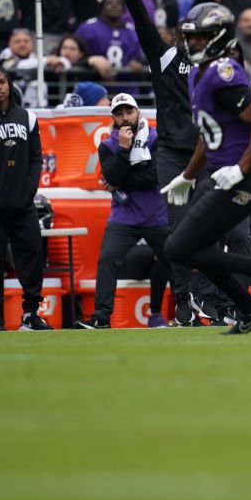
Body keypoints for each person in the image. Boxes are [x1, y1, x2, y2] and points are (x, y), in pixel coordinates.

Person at [159, 2, 251, 334]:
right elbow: (206, 134)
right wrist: (186, 175)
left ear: (218, 38)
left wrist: (242, 168)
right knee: (196, 250)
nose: (193, 44)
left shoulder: (223, 71)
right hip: (219, 177)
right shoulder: (198, 75)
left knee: (178, 248)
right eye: (192, 38)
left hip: (240, 180)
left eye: (201, 38)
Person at [111, 0, 205, 325]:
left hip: (207, 152)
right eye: (192, 31)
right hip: (170, 152)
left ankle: (212, 298)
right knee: (179, 228)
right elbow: (143, 24)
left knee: (213, 226)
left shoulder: (216, 65)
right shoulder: (165, 56)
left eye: (203, 33)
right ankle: (183, 300)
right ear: (183, 33)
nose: (197, 38)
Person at [79, 94, 172, 329]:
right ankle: (101, 317)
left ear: (138, 112)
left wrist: (121, 179)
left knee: (175, 258)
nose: (125, 117)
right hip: (125, 215)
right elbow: (111, 177)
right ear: (113, 118)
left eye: (129, 111)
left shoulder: (155, 137)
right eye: (119, 113)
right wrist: (123, 149)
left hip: (155, 214)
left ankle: (182, 311)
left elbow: (156, 175)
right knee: (107, 259)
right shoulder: (109, 144)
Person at [0, 65, 49, 331]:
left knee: (32, 260)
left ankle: (30, 314)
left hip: (22, 206)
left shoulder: (28, 117)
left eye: (1, 82)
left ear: (9, 84)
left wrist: (29, 189)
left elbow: (36, 157)